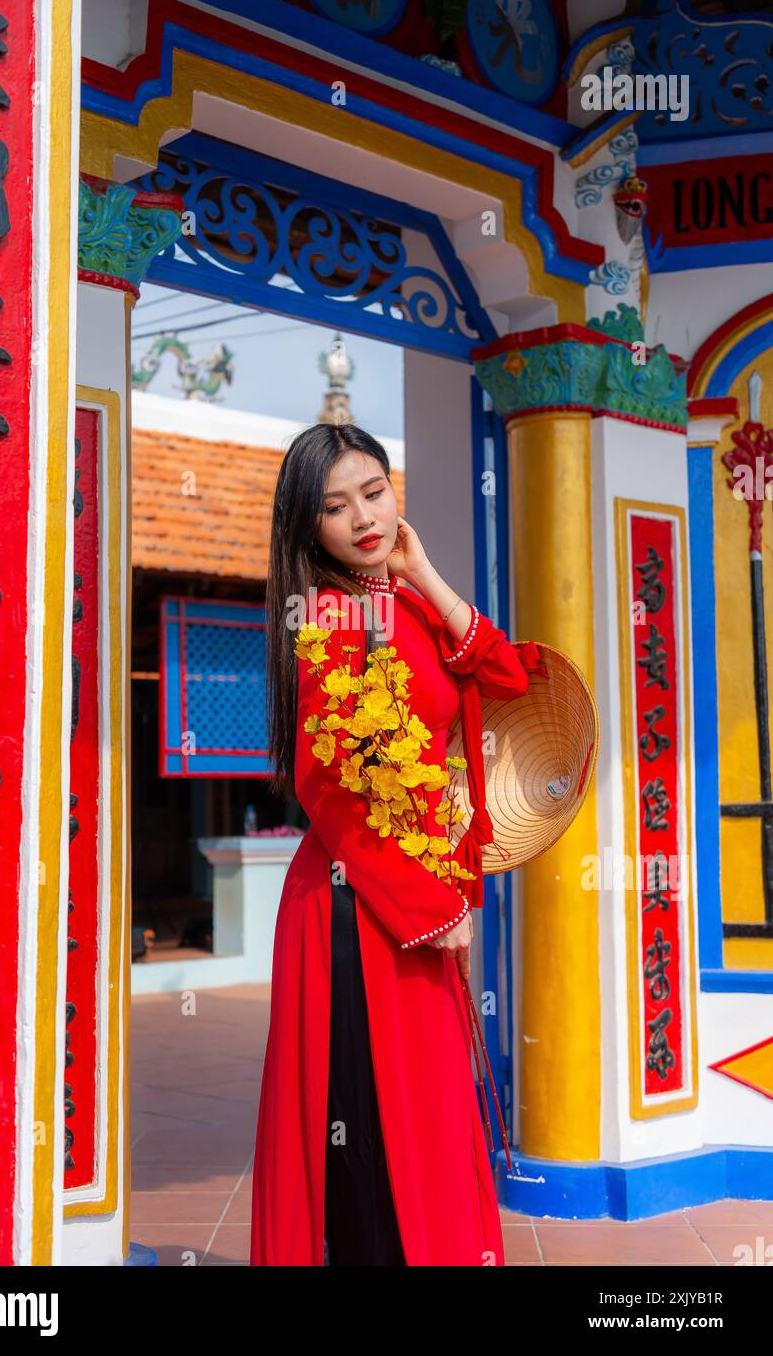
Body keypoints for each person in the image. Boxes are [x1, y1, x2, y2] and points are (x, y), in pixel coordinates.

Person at [250, 421, 534, 1266]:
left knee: (425, 1114)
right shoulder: (328, 618)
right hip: (356, 906)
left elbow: (510, 677)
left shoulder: (403, 598)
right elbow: (326, 786)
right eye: (336, 508)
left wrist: (424, 573)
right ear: (309, 528)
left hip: (417, 896)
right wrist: (427, 906)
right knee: (370, 1122)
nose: (364, 518)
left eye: (374, 492)